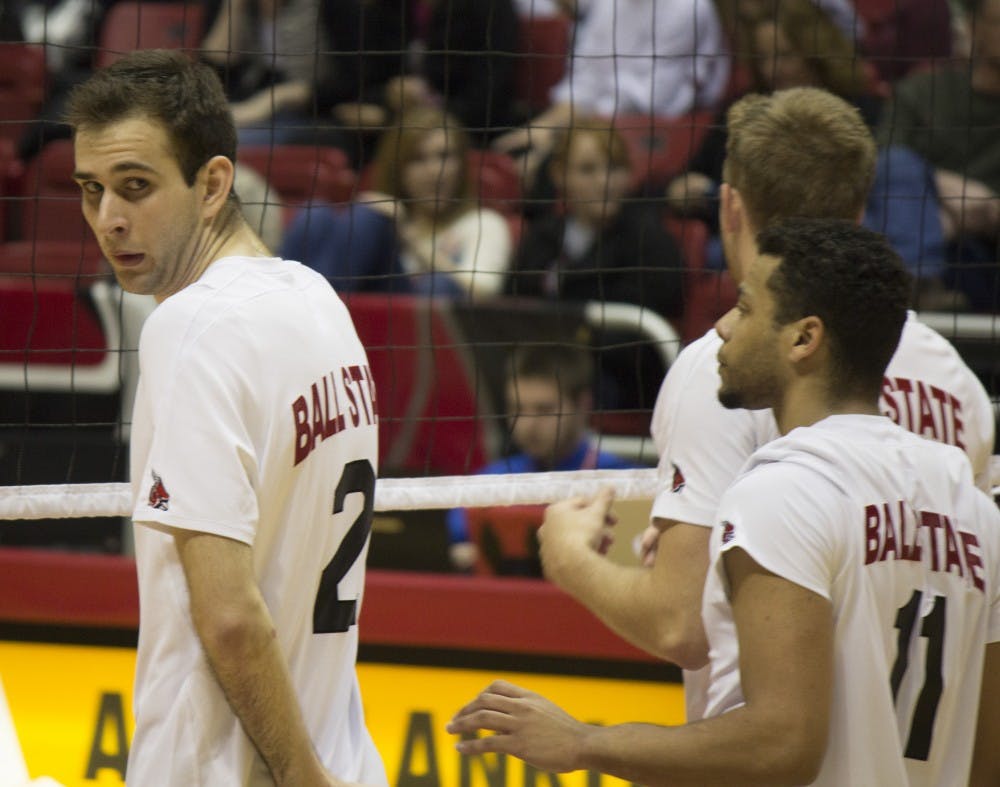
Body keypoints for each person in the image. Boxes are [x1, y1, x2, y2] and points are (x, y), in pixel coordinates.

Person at [447, 218, 1000, 786]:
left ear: (803, 339)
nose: (723, 326)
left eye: (746, 307)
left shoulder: (785, 488)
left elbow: (781, 745)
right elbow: (987, 760)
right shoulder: (970, 503)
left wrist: (582, 742)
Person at [512, 87, 996, 727]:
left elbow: (680, 623)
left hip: (768, 743)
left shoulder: (726, 364)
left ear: (730, 205)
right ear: (859, 210)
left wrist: (571, 559)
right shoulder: (953, 378)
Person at [66, 50, 386, 786]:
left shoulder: (190, 329)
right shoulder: (319, 301)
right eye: (91, 190)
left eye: (135, 187)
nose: (107, 219)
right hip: (350, 757)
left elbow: (232, 617)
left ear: (212, 183)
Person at [445, 343, 638, 574]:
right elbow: (456, 532)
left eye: (544, 410)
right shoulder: (491, 478)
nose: (528, 425)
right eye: (518, 408)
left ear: (583, 405)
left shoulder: (626, 482)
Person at [281, 106, 512, 298]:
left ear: (462, 164)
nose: (435, 171)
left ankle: (309, 321)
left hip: (415, 328)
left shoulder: (484, 224)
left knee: (438, 284)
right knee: (316, 215)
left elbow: (482, 294)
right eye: (418, 160)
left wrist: (409, 238)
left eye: (444, 156)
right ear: (399, 169)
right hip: (364, 315)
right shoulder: (383, 222)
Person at [875, 0, 1000, 311]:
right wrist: (943, 190)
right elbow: (879, 165)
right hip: (910, 235)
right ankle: (917, 286)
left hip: (987, 247)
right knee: (897, 165)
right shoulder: (922, 92)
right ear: (973, 28)